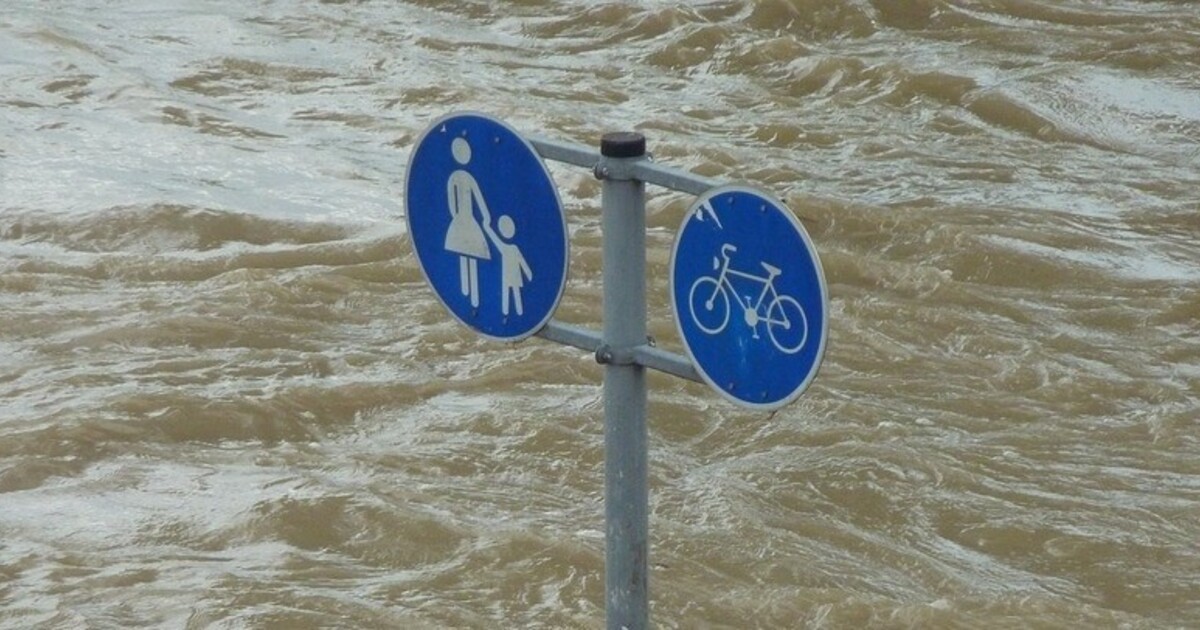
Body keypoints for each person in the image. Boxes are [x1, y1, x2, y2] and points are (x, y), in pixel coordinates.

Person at [443, 137, 491, 308]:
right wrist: (485, 217)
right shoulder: (461, 177)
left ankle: (471, 298)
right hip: (466, 220)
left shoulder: (457, 177)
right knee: (467, 253)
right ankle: (471, 297)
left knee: (468, 253)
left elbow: (457, 201)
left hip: (462, 220)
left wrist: (457, 216)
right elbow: (477, 200)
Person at [483, 214, 532, 316]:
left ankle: (515, 313)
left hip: (512, 275)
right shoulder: (508, 248)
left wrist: (528, 273)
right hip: (509, 275)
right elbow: (494, 239)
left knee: (513, 293)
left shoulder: (510, 248)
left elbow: (522, 261)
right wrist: (487, 227)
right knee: (509, 293)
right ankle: (509, 313)